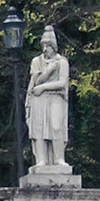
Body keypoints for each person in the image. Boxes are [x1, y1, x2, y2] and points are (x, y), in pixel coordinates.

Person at [25, 25, 69, 170]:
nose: (45, 49)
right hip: (39, 99)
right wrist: (48, 72)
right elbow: (35, 81)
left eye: (48, 46)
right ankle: (41, 160)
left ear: (54, 47)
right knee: (39, 128)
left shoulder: (62, 62)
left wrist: (43, 87)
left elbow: (62, 83)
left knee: (56, 127)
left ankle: (59, 159)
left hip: (56, 97)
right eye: (43, 46)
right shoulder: (36, 61)